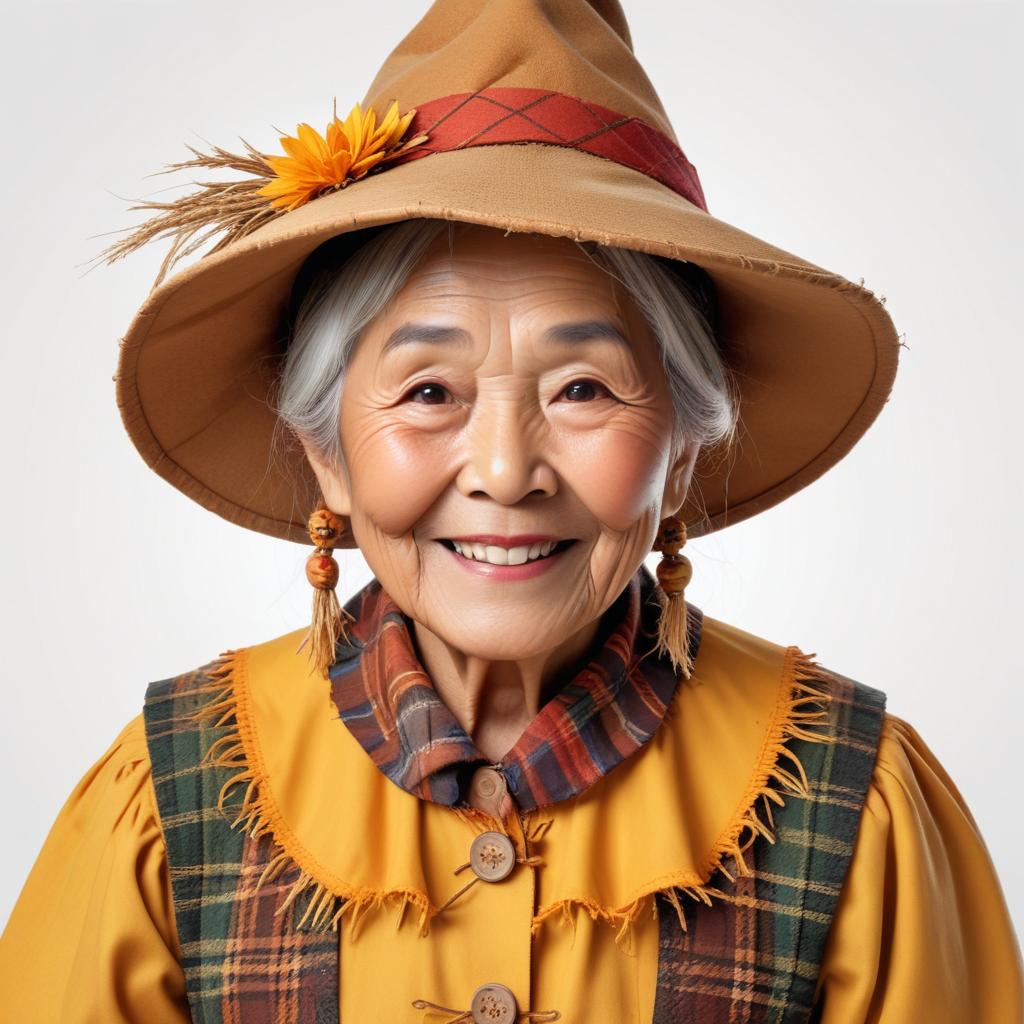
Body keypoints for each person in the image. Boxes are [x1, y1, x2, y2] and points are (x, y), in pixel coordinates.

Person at [1, 1, 1021, 1022]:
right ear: (328, 456)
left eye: (582, 388)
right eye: (428, 392)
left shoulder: (847, 794)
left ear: (678, 457)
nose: (504, 469)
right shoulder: (176, 795)